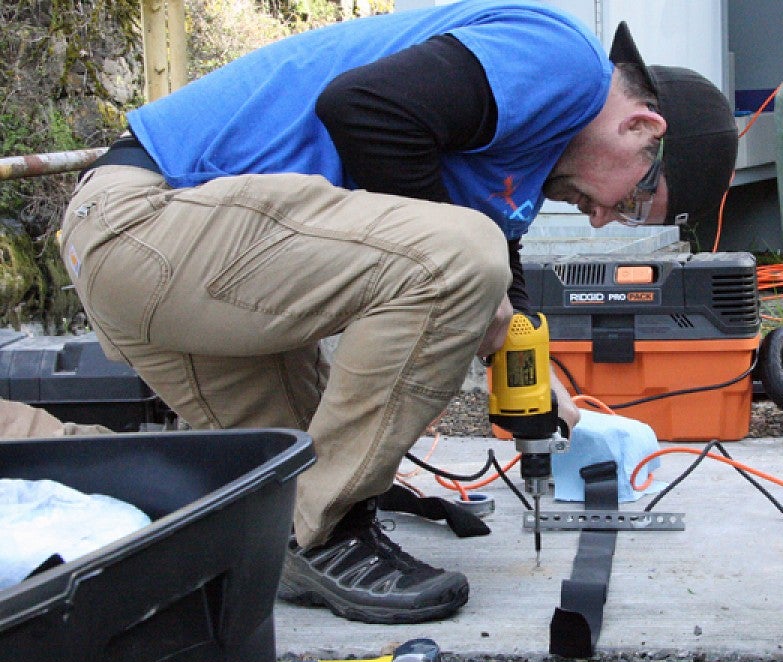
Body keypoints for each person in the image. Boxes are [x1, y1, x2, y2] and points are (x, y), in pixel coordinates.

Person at [58, 0, 737, 624]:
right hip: (144, 225)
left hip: (183, 271)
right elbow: (363, 108)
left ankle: (313, 543)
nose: (597, 220)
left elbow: (499, 257)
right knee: (460, 259)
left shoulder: (517, 143)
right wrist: (485, 303)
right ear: (642, 128)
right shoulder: (564, 60)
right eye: (625, 203)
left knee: (288, 483)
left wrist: (536, 376)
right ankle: (321, 529)